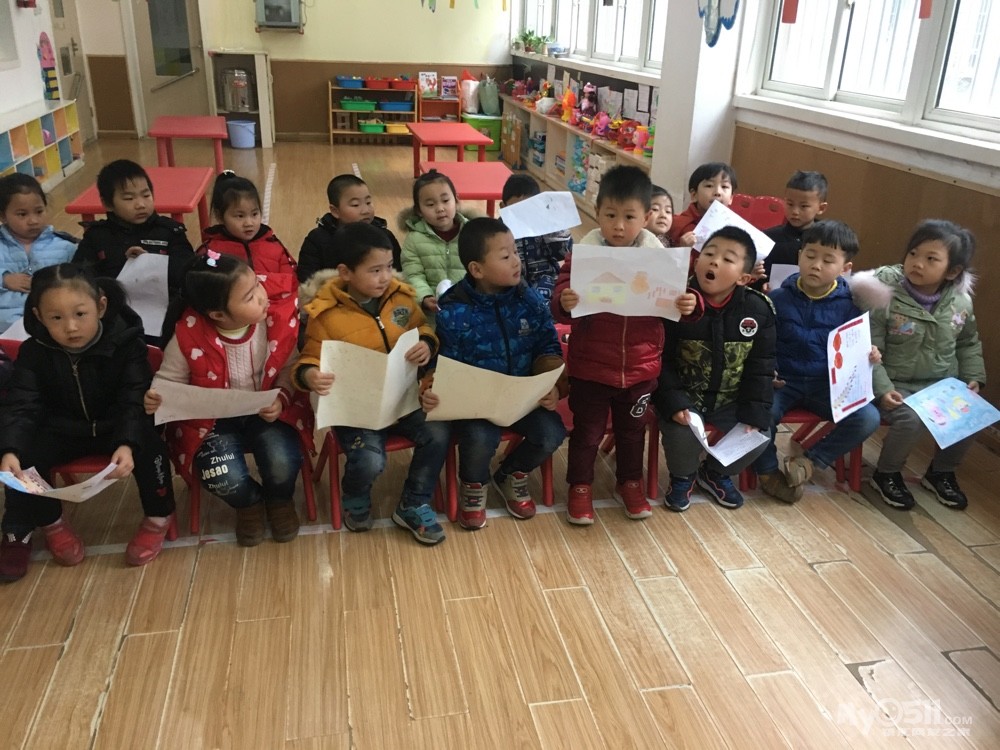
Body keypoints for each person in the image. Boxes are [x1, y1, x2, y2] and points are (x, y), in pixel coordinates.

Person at [0, 264, 176, 581]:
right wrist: (10, 449)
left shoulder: (126, 343)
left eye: (80, 314)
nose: (71, 327)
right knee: (25, 458)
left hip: (114, 425)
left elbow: (133, 397)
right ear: (39, 316)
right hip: (63, 429)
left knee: (150, 446)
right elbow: (22, 404)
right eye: (56, 318)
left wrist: (126, 443)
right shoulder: (34, 352)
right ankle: (52, 523)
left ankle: (158, 517)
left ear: (101, 306)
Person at [553, 165, 699, 524]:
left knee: (632, 433)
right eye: (610, 215)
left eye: (629, 217)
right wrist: (564, 301)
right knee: (587, 434)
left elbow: (678, 305)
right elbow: (559, 300)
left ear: (646, 217)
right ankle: (580, 486)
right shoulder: (583, 255)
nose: (618, 225)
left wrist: (689, 304)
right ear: (596, 212)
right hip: (591, 367)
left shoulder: (660, 259)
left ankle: (630, 482)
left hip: (640, 368)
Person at [294, 223, 449, 545]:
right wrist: (309, 375)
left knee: (438, 433)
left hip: (404, 400)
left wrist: (426, 342)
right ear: (345, 273)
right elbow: (309, 358)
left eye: (389, 267)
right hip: (358, 411)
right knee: (369, 460)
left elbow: (422, 328)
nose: (385, 277)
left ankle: (414, 502)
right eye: (375, 270)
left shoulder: (401, 298)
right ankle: (355, 493)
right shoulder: (325, 315)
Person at [144, 253, 312, 546]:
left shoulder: (275, 320)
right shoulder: (188, 334)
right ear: (218, 315)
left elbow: (289, 367)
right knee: (220, 475)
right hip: (211, 421)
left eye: (258, 285)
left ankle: (279, 499)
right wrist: (156, 397)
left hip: (267, 410)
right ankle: (249, 503)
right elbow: (168, 382)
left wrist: (282, 399)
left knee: (283, 461)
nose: (262, 296)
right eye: (249, 296)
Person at [427, 217, 567, 530]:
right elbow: (445, 364)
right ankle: (474, 485)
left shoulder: (528, 298)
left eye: (515, 252)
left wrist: (552, 384)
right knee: (479, 438)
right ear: (477, 269)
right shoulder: (454, 309)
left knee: (551, 432)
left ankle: (511, 474)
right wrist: (438, 387)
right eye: (505, 256)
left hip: (522, 398)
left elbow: (548, 345)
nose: (516, 261)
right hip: (475, 405)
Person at [854, 219, 985, 510]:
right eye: (913, 253)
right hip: (895, 383)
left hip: (940, 384)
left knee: (971, 414)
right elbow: (868, 348)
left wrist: (973, 376)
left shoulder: (960, 302)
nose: (917, 263)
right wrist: (882, 390)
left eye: (931, 259)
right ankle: (886, 473)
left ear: (952, 271)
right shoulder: (884, 295)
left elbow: (968, 343)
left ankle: (941, 472)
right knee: (911, 419)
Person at [750, 220, 881, 502]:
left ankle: (809, 462)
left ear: (845, 268)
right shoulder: (777, 298)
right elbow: (762, 344)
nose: (816, 265)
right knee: (759, 412)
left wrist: (870, 354)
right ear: (800, 256)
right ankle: (769, 473)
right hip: (784, 382)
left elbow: (855, 352)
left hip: (827, 386)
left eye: (828, 260)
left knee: (868, 417)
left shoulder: (852, 306)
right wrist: (768, 371)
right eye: (810, 256)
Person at [653, 226, 776, 511]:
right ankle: (682, 477)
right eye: (709, 254)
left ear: (744, 278)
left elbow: (761, 366)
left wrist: (755, 412)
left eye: (728, 259)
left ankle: (715, 473)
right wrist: (675, 403)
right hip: (684, 397)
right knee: (682, 431)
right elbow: (660, 360)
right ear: (696, 261)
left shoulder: (758, 310)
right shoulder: (675, 301)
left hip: (730, 400)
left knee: (761, 434)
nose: (715, 261)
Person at [72, 159, 193, 296]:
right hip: (111, 304)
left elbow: (188, 273)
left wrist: (151, 263)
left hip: (166, 304)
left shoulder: (170, 231)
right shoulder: (97, 236)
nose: (141, 204)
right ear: (107, 204)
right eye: (129, 198)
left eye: (146, 195)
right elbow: (78, 278)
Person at [198, 170, 297, 298]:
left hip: (275, 307)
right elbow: (205, 293)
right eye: (240, 216)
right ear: (220, 216)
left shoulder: (274, 245)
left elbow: (293, 283)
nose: (249, 223)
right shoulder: (210, 253)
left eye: (254, 214)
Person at [0, 174, 77, 331]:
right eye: (22, 214)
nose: (33, 221)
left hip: (50, 323)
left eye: (39, 211)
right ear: (3, 216)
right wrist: (4, 279)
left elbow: (81, 284)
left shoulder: (65, 247)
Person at [297, 173, 403, 285]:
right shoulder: (318, 240)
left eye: (368, 202)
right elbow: (308, 281)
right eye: (355, 205)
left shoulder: (384, 236)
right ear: (335, 211)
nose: (366, 210)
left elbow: (399, 273)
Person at [400, 169, 470, 314]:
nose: (440, 209)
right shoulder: (414, 239)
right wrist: (425, 296)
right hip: (432, 313)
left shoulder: (472, 233)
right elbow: (413, 275)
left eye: (445, 201)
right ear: (419, 211)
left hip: (469, 309)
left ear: (456, 201)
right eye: (430, 204)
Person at [499, 173, 571, 301]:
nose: (522, 216)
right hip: (512, 284)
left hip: (546, 282)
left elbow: (563, 254)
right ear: (503, 208)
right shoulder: (498, 232)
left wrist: (556, 229)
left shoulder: (545, 226)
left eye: (528, 209)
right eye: (515, 211)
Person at [761, 171, 828, 286]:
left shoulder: (829, 239)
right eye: (790, 204)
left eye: (804, 206)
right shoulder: (769, 238)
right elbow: (760, 276)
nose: (795, 211)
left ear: (821, 208)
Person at [667, 162, 737, 247]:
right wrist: (682, 249)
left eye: (724, 186)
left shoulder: (736, 228)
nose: (718, 192)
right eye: (709, 186)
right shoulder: (676, 224)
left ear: (731, 198)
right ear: (694, 195)